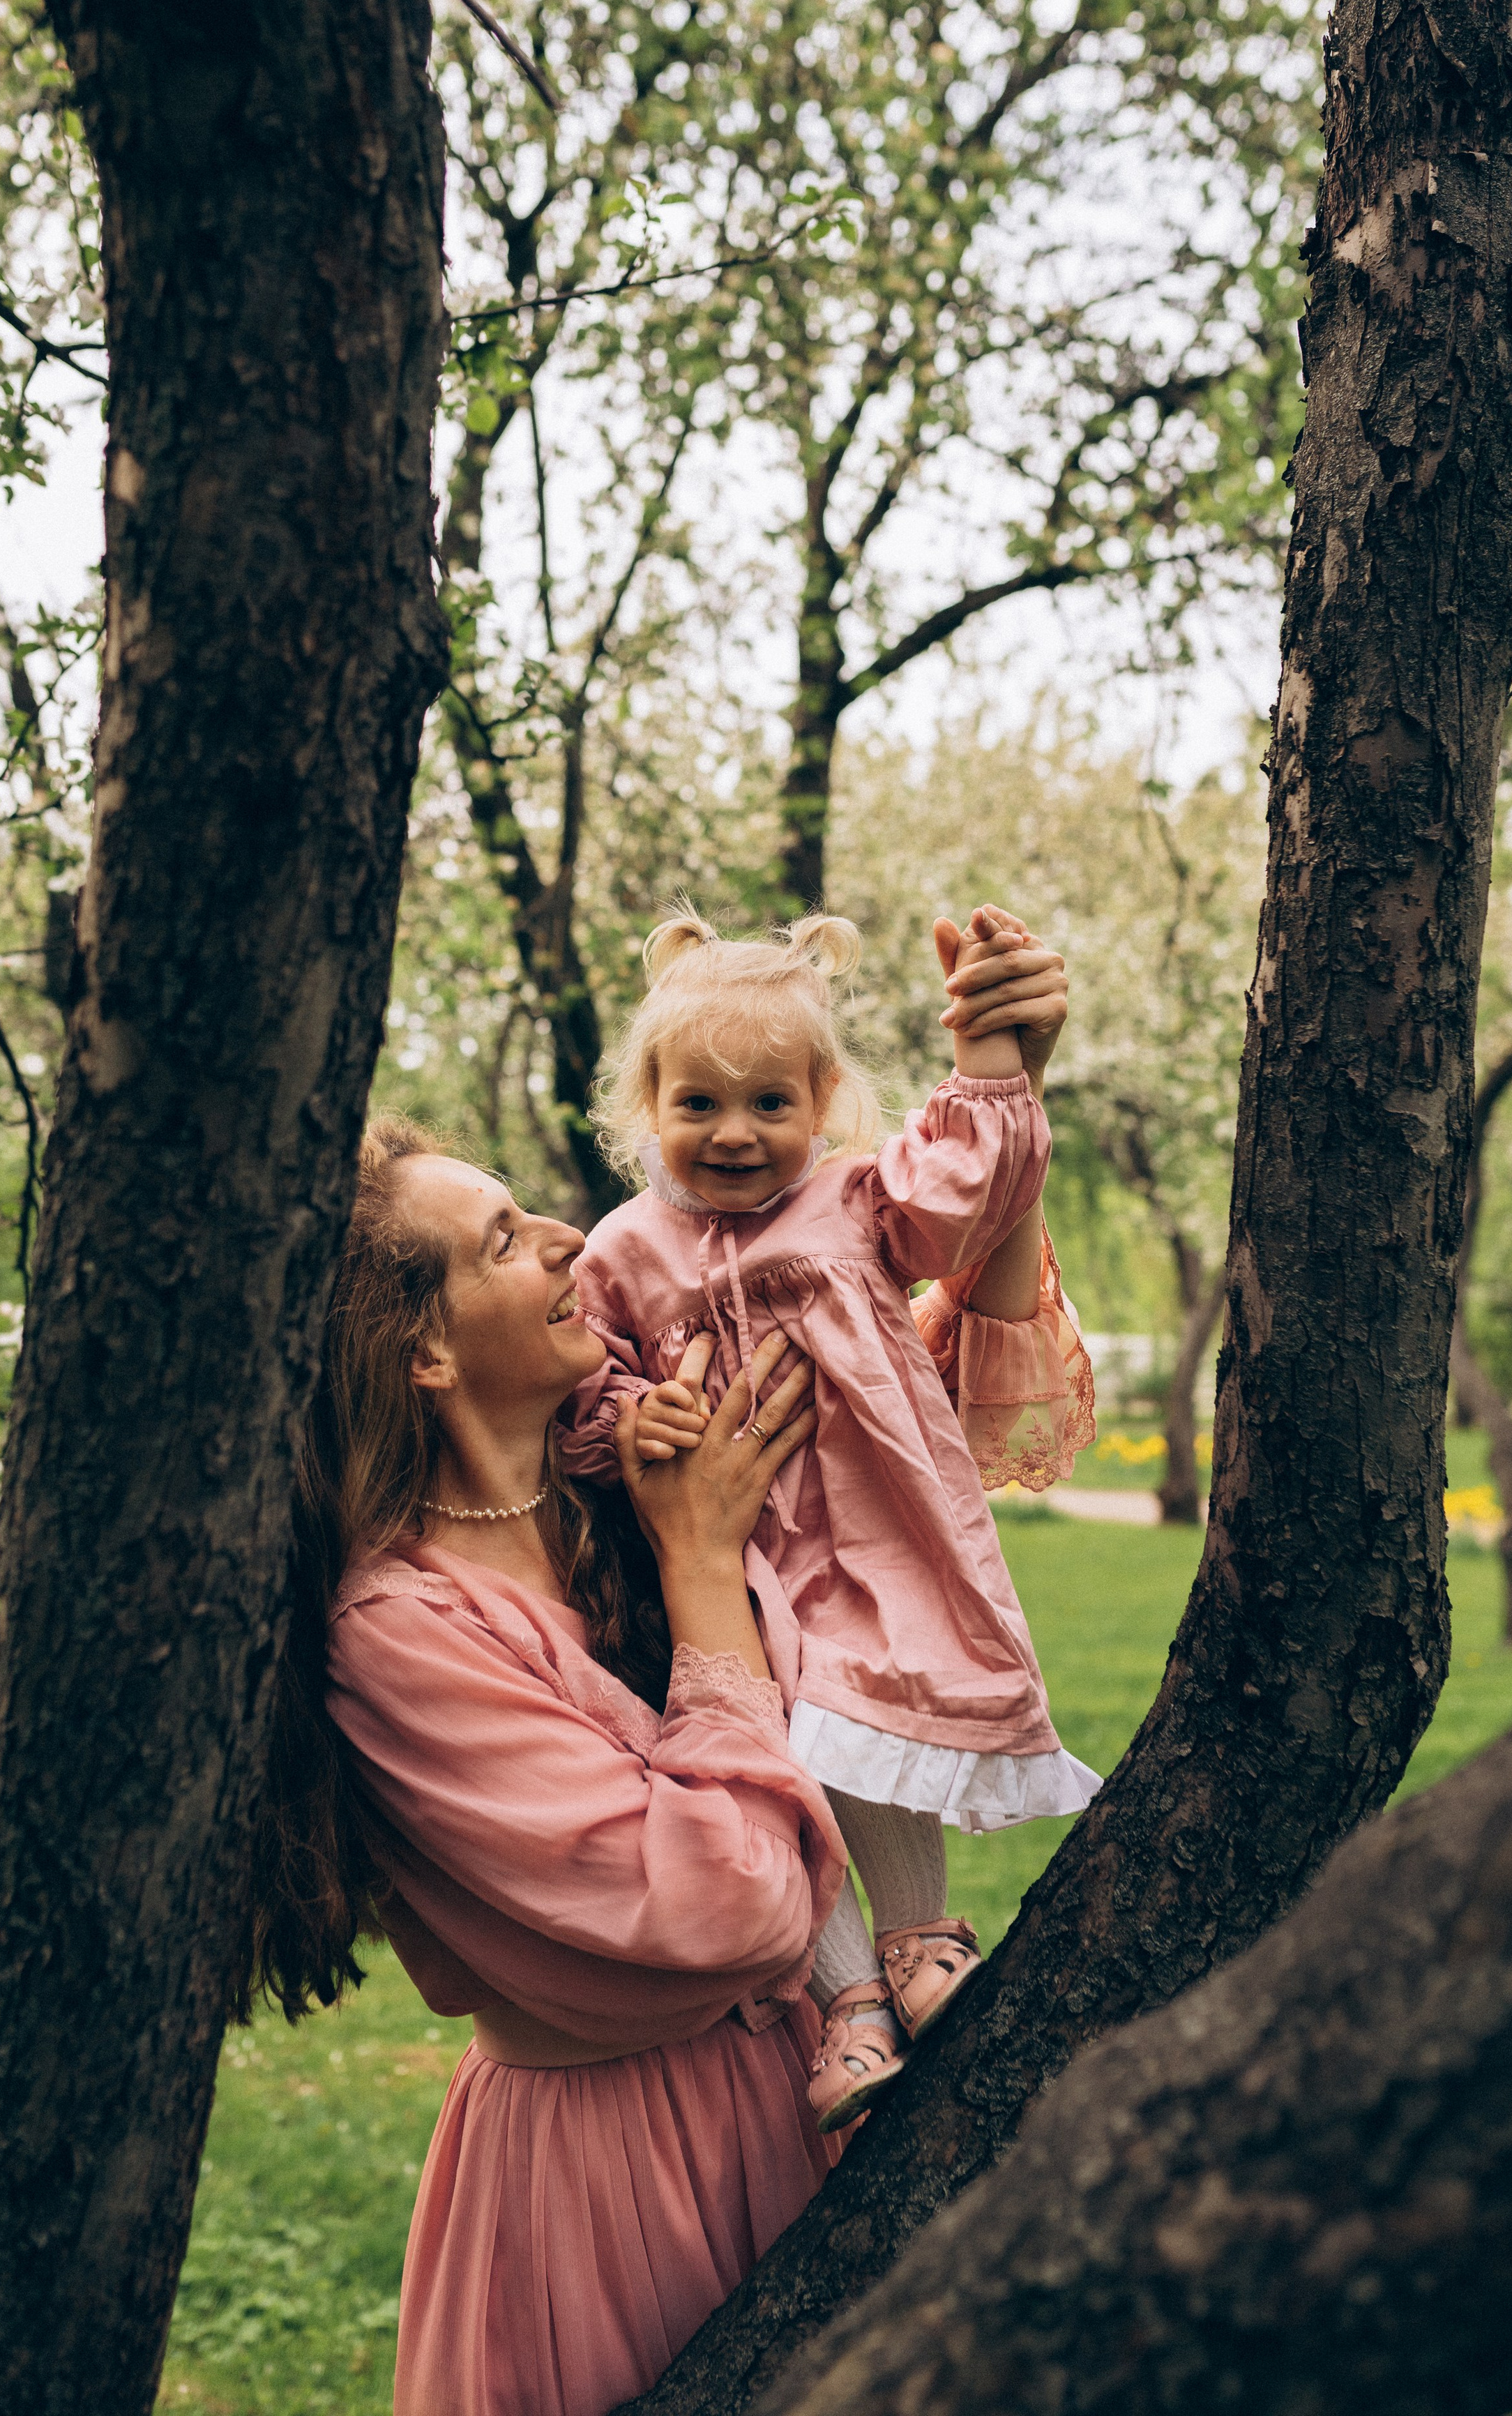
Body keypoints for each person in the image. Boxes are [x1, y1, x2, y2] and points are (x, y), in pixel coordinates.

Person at [238, 1115, 850, 2416]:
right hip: (614, 2180)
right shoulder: (395, 1634)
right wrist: (702, 1569)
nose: (572, 1237)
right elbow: (729, 1906)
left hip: (810, 2096)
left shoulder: (632, 1482)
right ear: (426, 1349)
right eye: (505, 1240)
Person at [559, 903, 1098, 2130]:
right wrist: (638, 1414)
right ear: (649, 1107)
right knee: (768, 1761)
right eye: (699, 1103)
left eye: (770, 1103)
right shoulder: (623, 1248)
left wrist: (989, 1057)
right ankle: (848, 2006)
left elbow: (966, 1194)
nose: (734, 1132)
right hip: (725, 1561)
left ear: (822, 1104)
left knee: (872, 1711)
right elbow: (586, 1386)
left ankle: (921, 1942)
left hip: (868, 1531)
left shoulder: (855, 1202)